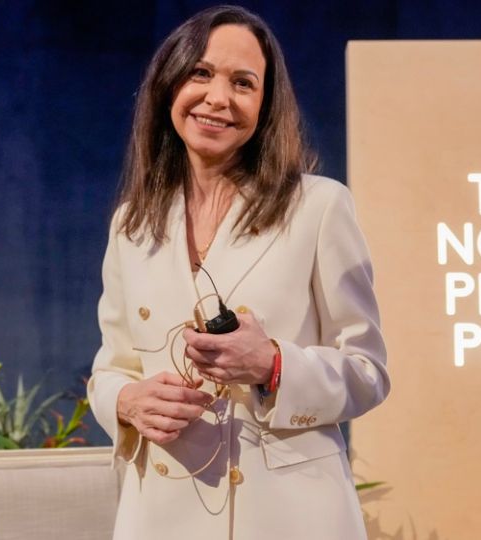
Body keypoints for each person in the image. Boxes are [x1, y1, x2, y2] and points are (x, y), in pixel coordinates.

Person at [87, 6, 390, 540]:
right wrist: (126, 402)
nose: (218, 98)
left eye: (243, 83)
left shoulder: (318, 207)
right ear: (168, 85)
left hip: (289, 515)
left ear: (265, 106)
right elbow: (111, 367)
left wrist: (273, 365)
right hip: (161, 513)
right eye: (200, 73)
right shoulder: (130, 225)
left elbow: (367, 370)